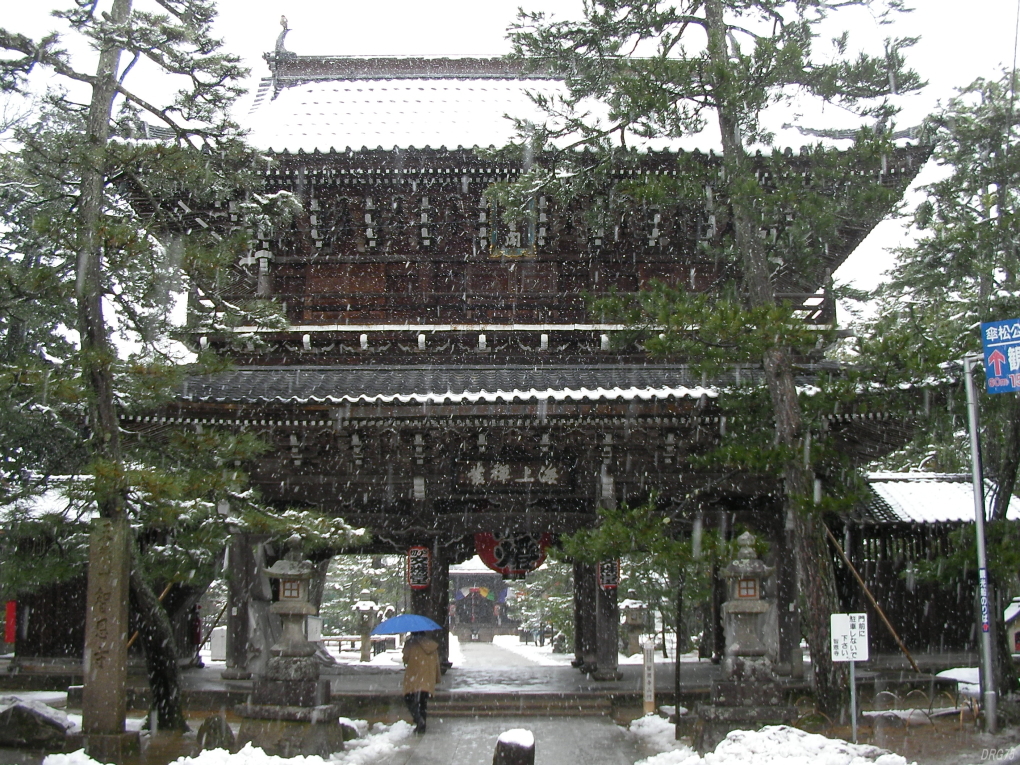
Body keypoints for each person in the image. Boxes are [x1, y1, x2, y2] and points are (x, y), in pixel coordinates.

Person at [402, 630, 441, 733]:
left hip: (414, 676)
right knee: (423, 701)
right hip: (427, 677)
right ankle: (422, 725)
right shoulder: (432, 645)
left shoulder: (410, 644)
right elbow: (437, 662)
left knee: (409, 698)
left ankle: (419, 720)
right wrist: (437, 677)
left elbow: (405, 659)